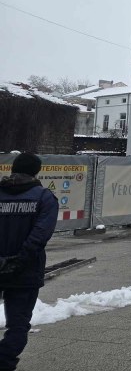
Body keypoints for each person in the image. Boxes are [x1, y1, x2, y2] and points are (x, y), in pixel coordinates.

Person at [0, 152, 58, 370]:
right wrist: (19, 261)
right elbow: (40, 235)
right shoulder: (44, 197)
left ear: (12, 168)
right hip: (25, 272)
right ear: (36, 171)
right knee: (18, 326)